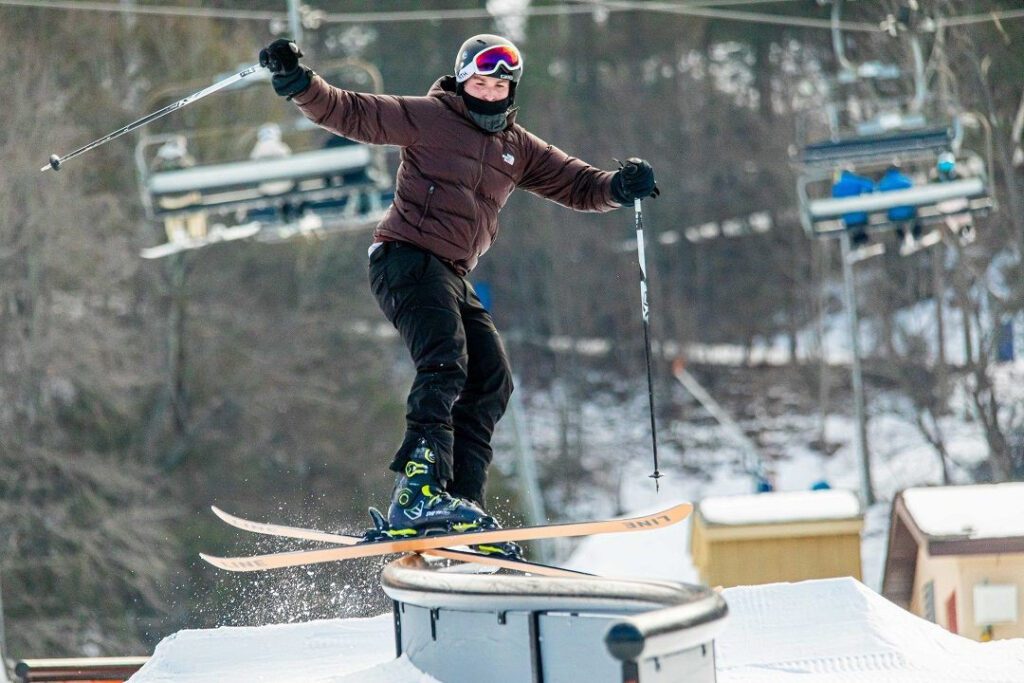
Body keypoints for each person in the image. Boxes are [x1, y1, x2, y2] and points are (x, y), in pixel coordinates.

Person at [258, 35, 658, 555]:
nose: (488, 93)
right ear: (462, 78)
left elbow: (577, 185)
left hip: (450, 273)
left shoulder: (517, 146)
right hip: (405, 257)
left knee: (492, 379)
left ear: (509, 90)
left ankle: (459, 502)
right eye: (479, 82)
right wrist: (298, 83)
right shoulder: (430, 117)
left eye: (498, 86)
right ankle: (420, 490)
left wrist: (619, 187)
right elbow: (351, 112)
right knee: (446, 362)